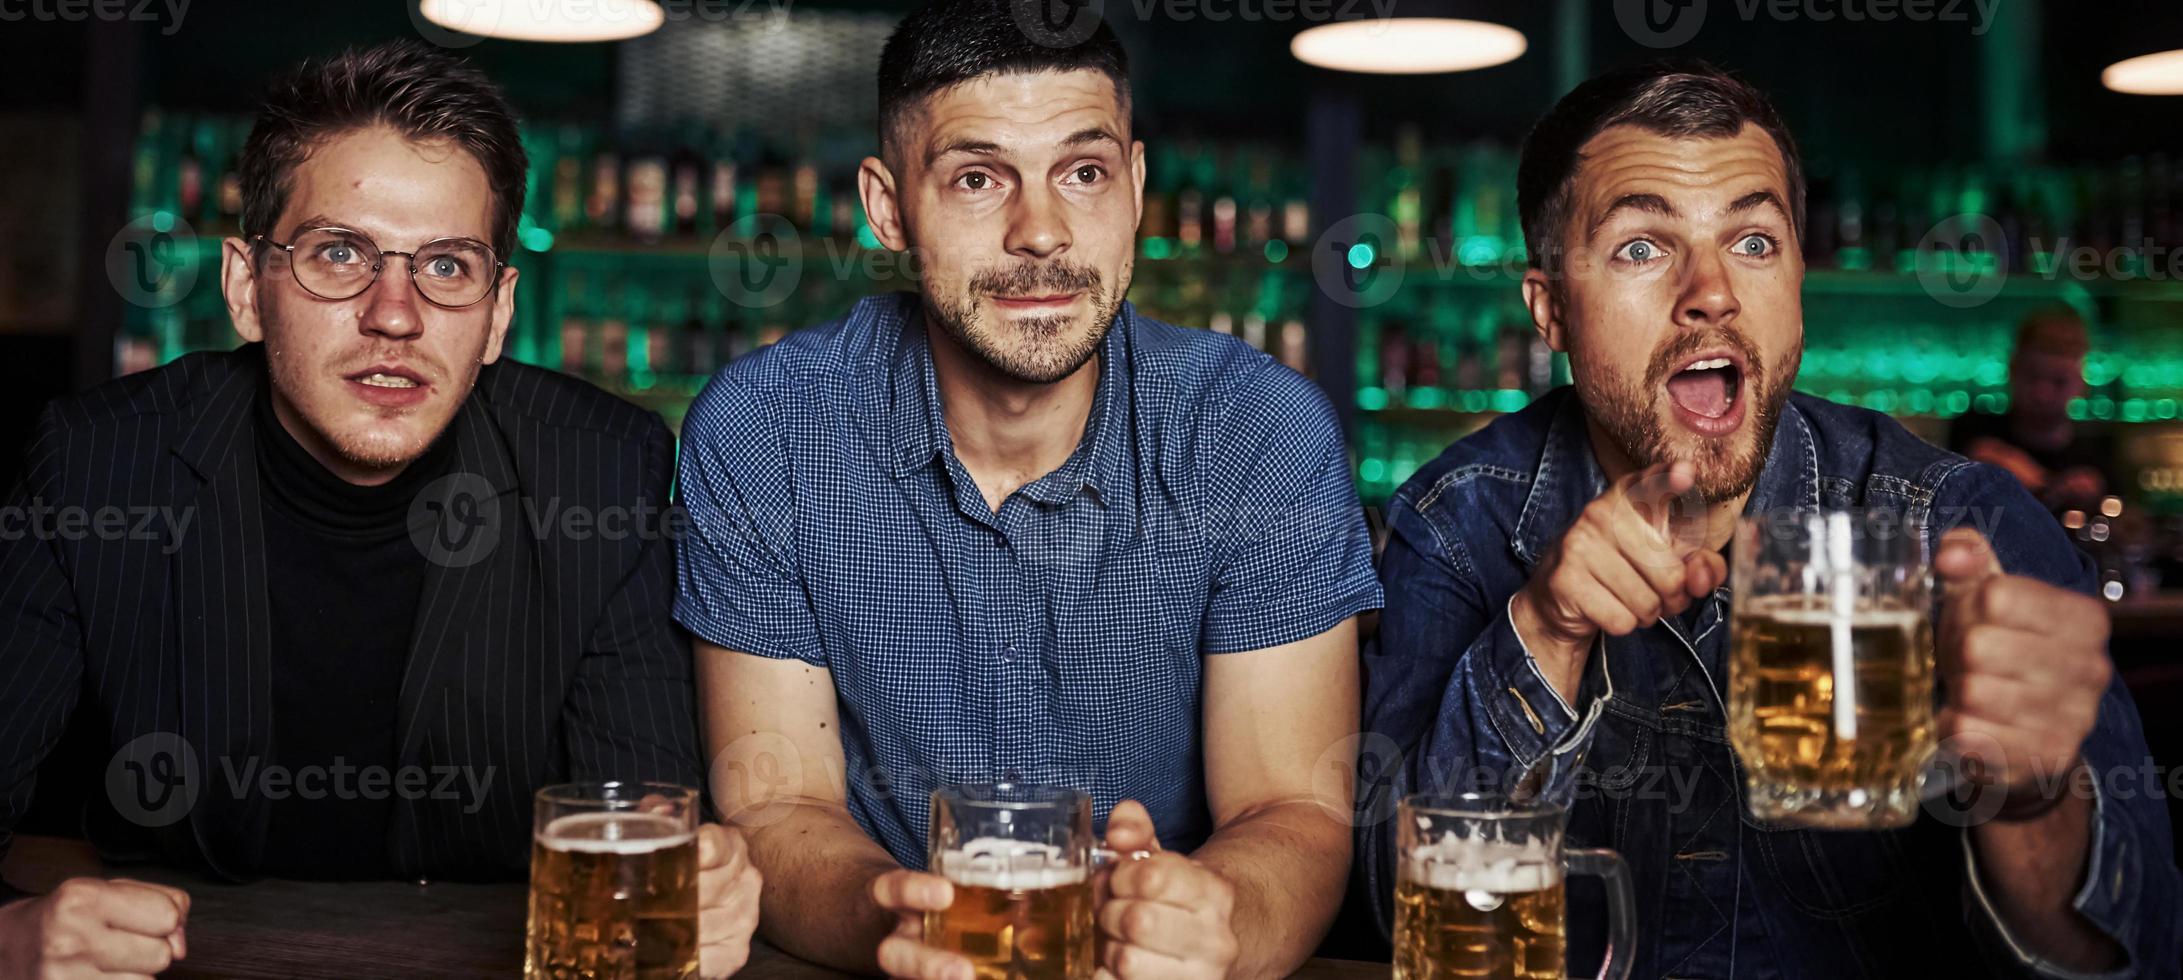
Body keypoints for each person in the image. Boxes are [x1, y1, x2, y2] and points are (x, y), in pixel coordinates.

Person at [1362, 60, 2179, 977]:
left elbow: (2140, 954)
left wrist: (2029, 800)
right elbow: (1396, 912)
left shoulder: (1962, 527)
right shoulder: (1456, 515)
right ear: (1548, 307)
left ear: (1797, 278)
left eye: (1752, 240)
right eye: (1641, 246)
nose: (1710, 291)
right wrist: (1543, 628)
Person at [0, 41, 759, 979]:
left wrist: (702, 892)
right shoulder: (94, 464)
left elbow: (642, 816)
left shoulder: (602, 472)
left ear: (498, 312)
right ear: (246, 288)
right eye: (338, 253)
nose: (394, 314)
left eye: (446, 266)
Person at [673, 1, 1382, 976]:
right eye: (976, 178)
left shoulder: (1255, 430)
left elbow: (1289, 809)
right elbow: (777, 804)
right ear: (886, 208)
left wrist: (1212, 923)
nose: (1041, 232)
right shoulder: (765, 431)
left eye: (1082, 173)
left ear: (1134, 186)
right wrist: (897, 921)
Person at [1950, 309, 2118, 514]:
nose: (2042, 394)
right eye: (2032, 376)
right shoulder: (1972, 428)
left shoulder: (2098, 455)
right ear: (2012, 370)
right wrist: (2052, 486)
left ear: (2083, 383)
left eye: (2059, 381)